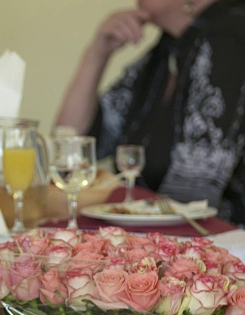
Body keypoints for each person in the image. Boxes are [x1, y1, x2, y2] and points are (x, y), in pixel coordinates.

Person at [55, 0, 245, 225]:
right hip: (157, 235)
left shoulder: (231, 36)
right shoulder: (166, 51)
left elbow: (196, 188)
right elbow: (70, 150)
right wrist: (97, 53)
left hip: (221, 242)